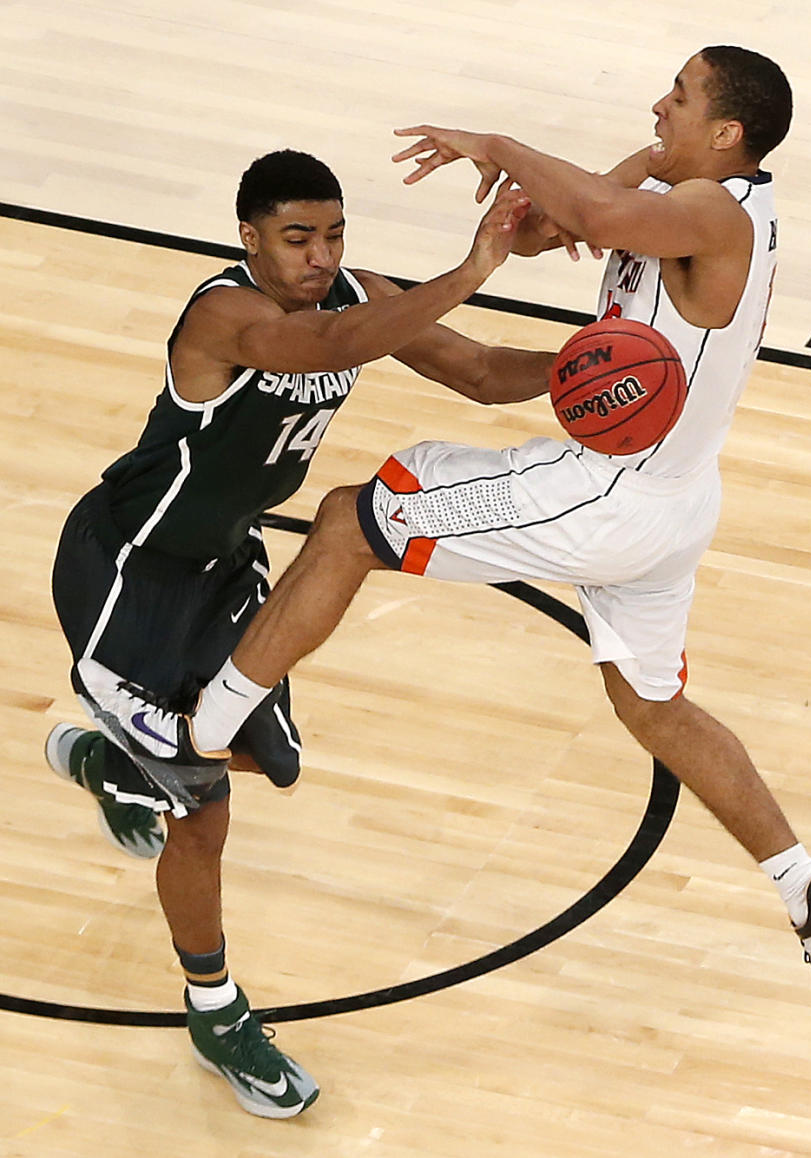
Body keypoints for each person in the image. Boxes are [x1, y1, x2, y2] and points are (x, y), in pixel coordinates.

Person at [72, 48, 811, 1038]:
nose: (659, 104)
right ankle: (809, 889)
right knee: (655, 707)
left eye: (681, 97)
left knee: (349, 523)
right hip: (672, 502)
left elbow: (599, 219)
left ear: (727, 133)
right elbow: (560, 228)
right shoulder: (674, 183)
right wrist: (520, 228)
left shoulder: (716, 213)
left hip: (606, 493)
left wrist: (497, 147)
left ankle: (187, 743)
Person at [46, 148, 554, 1118]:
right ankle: (216, 1009)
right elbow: (328, 348)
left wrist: (597, 372)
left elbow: (484, 373)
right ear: (249, 239)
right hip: (130, 573)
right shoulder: (223, 314)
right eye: (296, 238)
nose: (321, 258)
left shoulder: (359, 297)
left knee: (265, 759)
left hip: (226, 568)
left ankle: (105, 764)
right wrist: (475, 264)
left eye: (333, 236)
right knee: (200, 811)